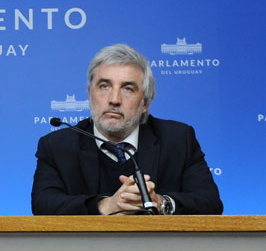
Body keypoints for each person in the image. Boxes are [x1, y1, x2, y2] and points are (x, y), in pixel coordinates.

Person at [31, 43, 222, 215]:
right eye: (104, 86)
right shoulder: (57, 146)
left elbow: (210, 202)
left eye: (127, 89)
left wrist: (160, 202)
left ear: (145, 102)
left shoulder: (178, 140)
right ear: (90, 94)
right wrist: (106, 205)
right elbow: (43, 204)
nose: (114, 99)